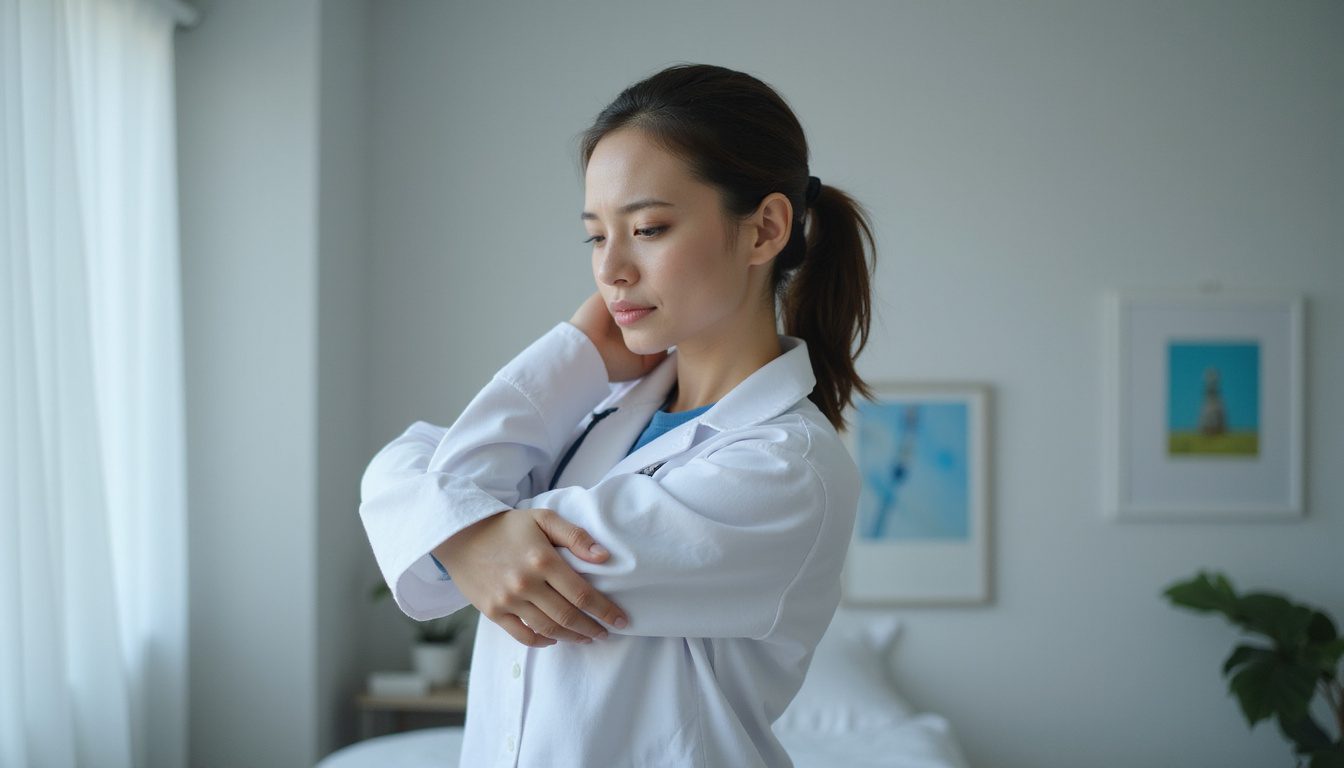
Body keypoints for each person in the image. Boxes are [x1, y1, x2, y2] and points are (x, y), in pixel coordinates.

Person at [360, 63, 876, 767]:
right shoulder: (609, 410)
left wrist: (457, 532)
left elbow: (488, 533)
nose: (611, 271)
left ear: (765, 231)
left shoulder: (785, 469)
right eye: (596, 237)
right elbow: (397, 469)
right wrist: (471, 532)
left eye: (650, 228)